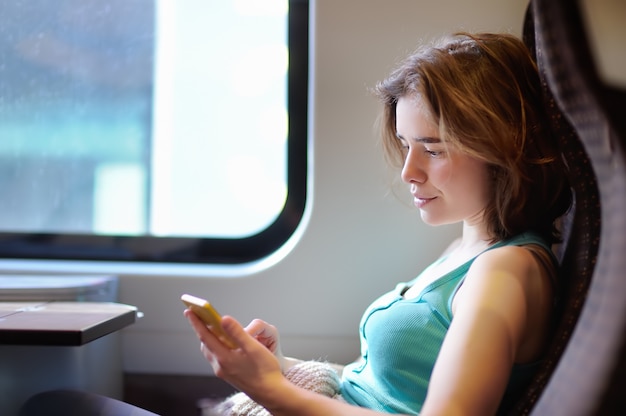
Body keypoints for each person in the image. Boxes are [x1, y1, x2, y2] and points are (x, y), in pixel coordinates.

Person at [184, 32, 572, 416]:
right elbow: (380, 388)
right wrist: (278, 366)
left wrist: (269, 390)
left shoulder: (504, 272)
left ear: (503, 147)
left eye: (433, 149)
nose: (408, 172)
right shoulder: (465, 250)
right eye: (406, 146)